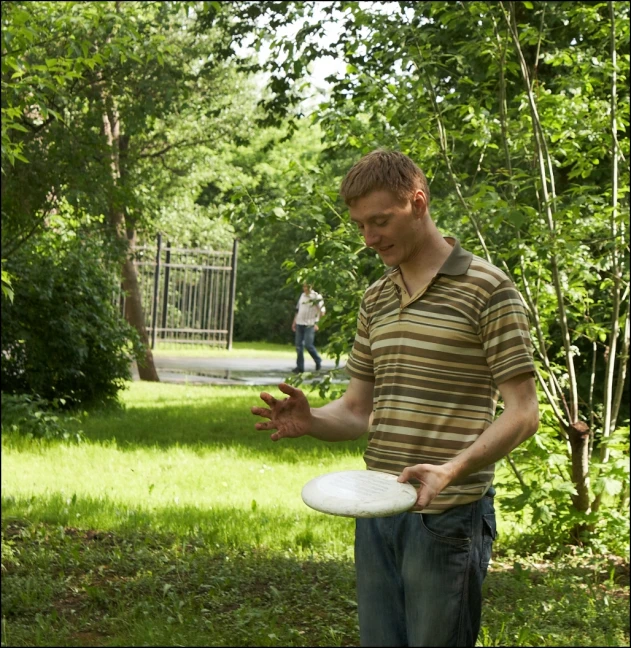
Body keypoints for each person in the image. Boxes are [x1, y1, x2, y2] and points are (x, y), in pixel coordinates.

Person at [251, 150, 539, 647]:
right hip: (377, 509)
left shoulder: (487, 288)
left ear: (418, 203)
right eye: (360, 226)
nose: (369, 238)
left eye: (380, 221)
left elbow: (524, 412)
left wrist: (451, 469)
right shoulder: (377, 298)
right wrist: (312, 418)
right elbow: (357, 411)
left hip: (448, 516)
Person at [291, 283, 325, 373]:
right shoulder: (302, 295)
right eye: (304, 286)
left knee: (308, 345)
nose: (305, 288)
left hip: (310, 324)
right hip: (299, 323)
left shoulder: (316, 297)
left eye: (307, 286)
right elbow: (298, 310)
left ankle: (318, 360)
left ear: (311, 286)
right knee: (298, 346)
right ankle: (300, 367)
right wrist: (294, 322)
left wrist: (318, 323)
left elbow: (322, 312)